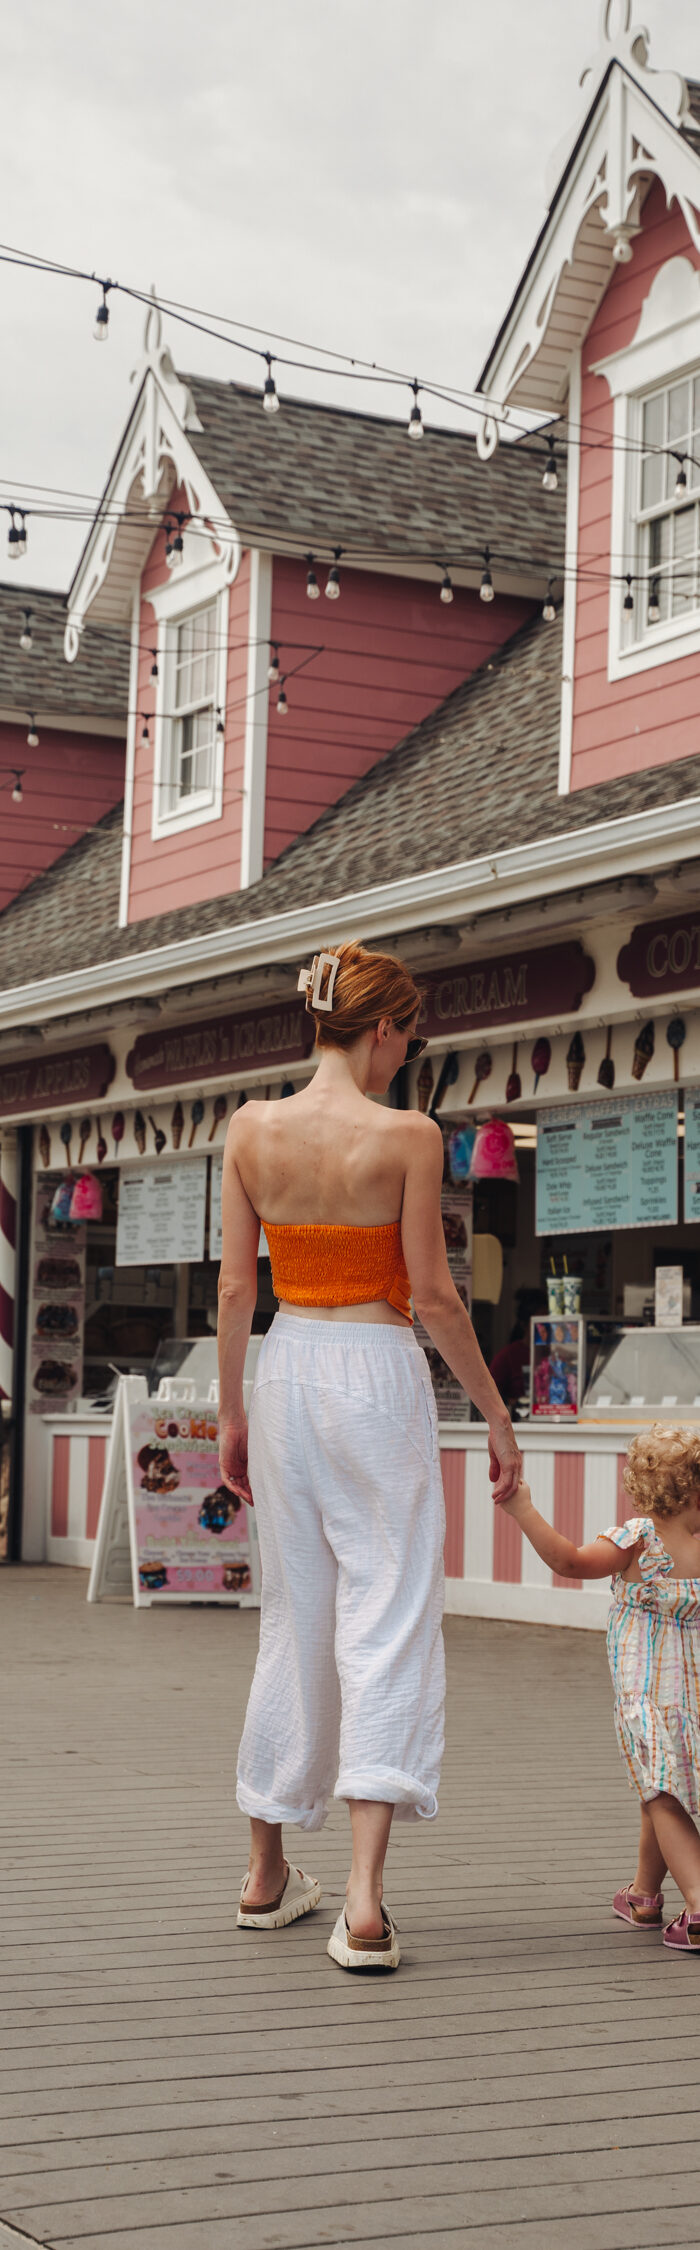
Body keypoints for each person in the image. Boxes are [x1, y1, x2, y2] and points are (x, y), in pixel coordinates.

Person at [217, 941, 521, 1973]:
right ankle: (361, 1902)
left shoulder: (249, 1128)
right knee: (385, 1612)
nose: (405, 1054)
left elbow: (231, 1292)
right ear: (381, 1028)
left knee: (293, 1614)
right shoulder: (407, 1135)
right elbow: (434, 1296)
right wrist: (493, 1410)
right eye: (407, 1034)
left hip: (286, 1363)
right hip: (376, 1372)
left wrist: (229, 1417)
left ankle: (264, 1876)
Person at [498, 1424, 700, 1952]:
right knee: (657, 1790)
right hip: (694, 1697)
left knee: (661, 1793)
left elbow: (570, 1561)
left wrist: (523, 1510)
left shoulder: (638, 1537)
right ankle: (644, 1895)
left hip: (648, 1696)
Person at [489, 1322, 529, 1410]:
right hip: (517, 1416)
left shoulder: (555, 1353)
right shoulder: (509, 1354)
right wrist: (512, 1402)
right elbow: (489, 1390)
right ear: (525, 1324)